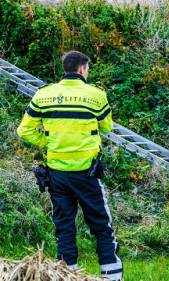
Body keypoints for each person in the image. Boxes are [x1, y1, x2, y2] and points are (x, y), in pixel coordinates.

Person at [17, 51, 122, 280]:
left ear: (66, 68)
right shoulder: (96, 95)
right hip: (87, 173)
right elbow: (107, 127)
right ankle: (111, 276)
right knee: (102, 227)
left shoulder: (44, 95)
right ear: (83, 69)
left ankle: (67, 275)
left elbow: (24, 130)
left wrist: (48, 141)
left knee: (64, 228)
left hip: (57, 174)